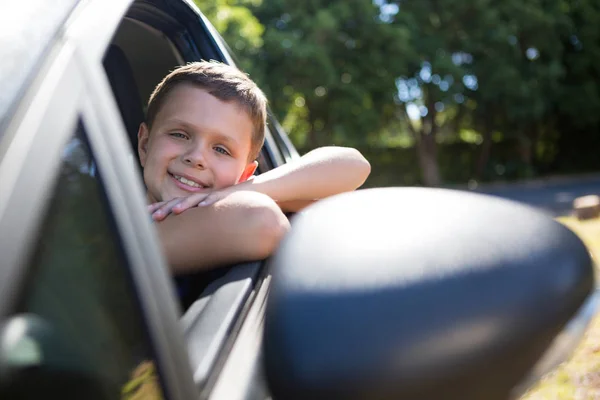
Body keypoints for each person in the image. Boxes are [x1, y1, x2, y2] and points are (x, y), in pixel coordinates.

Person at [138, 61, 370, 275]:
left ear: (246, 175)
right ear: (144, 144)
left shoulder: (234, 206)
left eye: (221, 149)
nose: (196, 157)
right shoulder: (130, 231)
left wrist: (235, 192)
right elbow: (263, 221)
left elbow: (355, 164)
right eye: (179, 134)